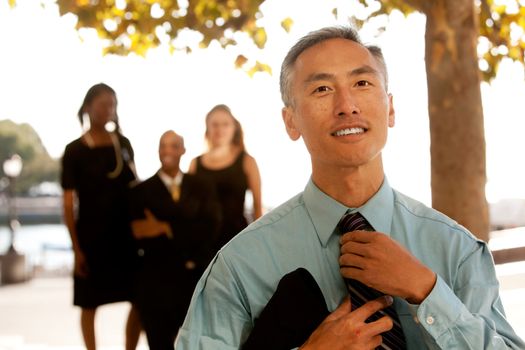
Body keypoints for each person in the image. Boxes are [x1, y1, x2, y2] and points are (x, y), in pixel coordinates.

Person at [175, 26, 525, 349]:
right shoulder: (238, 267)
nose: (347, 106)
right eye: (322, 89)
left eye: (362, 83)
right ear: (291, 120)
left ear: (390, 109)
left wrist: (427, 291)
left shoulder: (457, 250)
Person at [61, 83, 141, 350]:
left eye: (113, 104)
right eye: (103, 103)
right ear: (87, 107)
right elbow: (69, 202)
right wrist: (77, 249)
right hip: (92, 237)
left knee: (139, 297)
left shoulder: (124, 144)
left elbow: (136, 188)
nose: (109, 109)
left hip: (125, 236)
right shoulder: (74, 150)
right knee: (88, 301)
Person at [129, 130, 220, 350]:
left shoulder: (203, 187)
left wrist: (165, 227)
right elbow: (137, 234)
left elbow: (210, 229)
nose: (167, 151)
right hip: (156, 287)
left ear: (183, 150)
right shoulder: (140, 192)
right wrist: (187, 227)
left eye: (173, 145)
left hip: (195, 283)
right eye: (163, 146)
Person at [188, 104, 262, 251]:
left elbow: (257, 209)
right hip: (202, 244)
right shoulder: (195, 164)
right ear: (207, 128)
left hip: (237, 242)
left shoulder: (247, 162)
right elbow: (189, 208)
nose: (220, 129)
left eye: (225, 124)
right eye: (215, 124)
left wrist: (259, 244)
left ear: (234, 128)